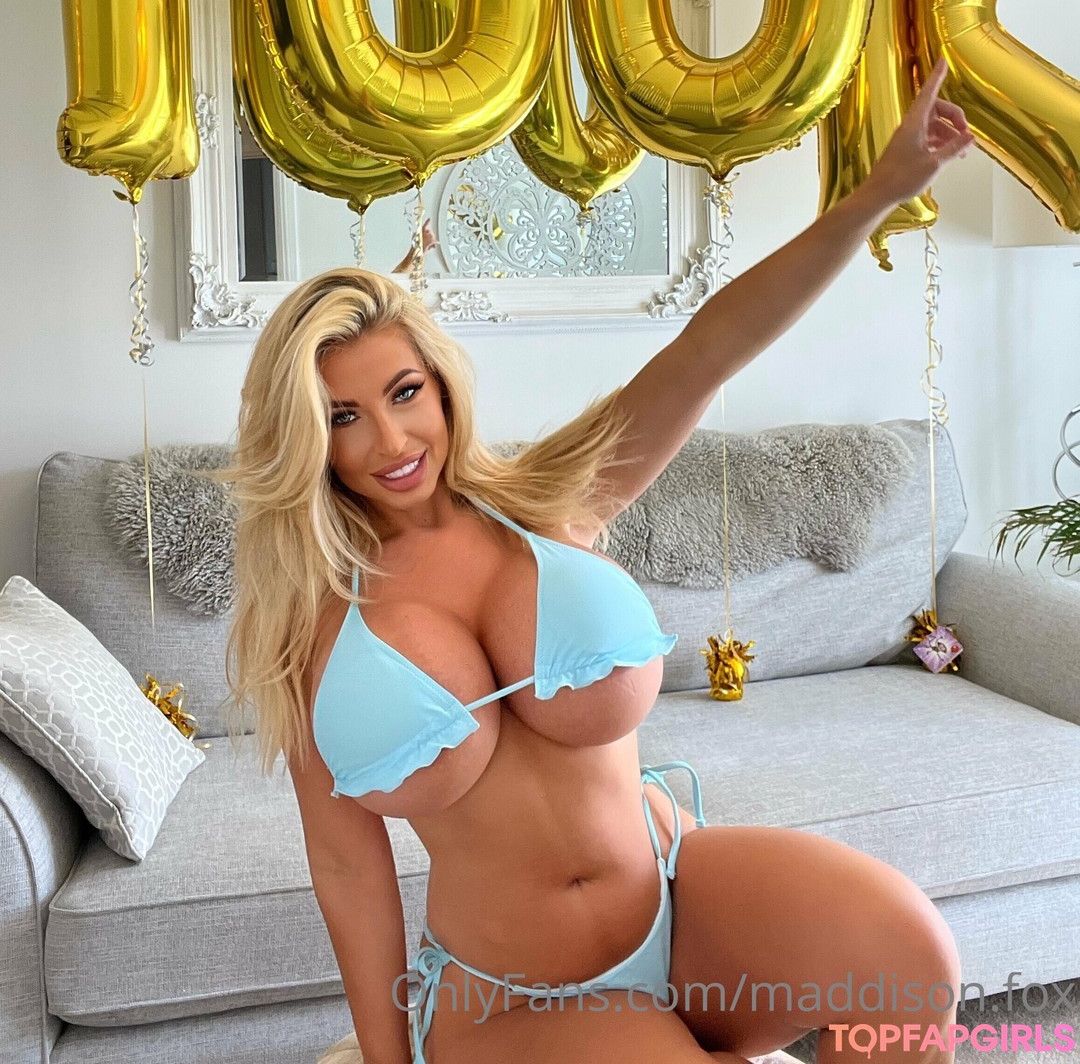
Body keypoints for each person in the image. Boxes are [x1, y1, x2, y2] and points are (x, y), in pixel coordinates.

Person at [222, 57, 972, 1064]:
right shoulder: (313, 624)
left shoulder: (549, 499)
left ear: (441, 385)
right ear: (306, 437)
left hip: (674, 905)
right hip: (510, 997)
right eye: (343, 417)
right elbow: (348, 870)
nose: (389, 443)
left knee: (908, 967)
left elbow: (709, 349)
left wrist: (875, 195)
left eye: (404, 394)